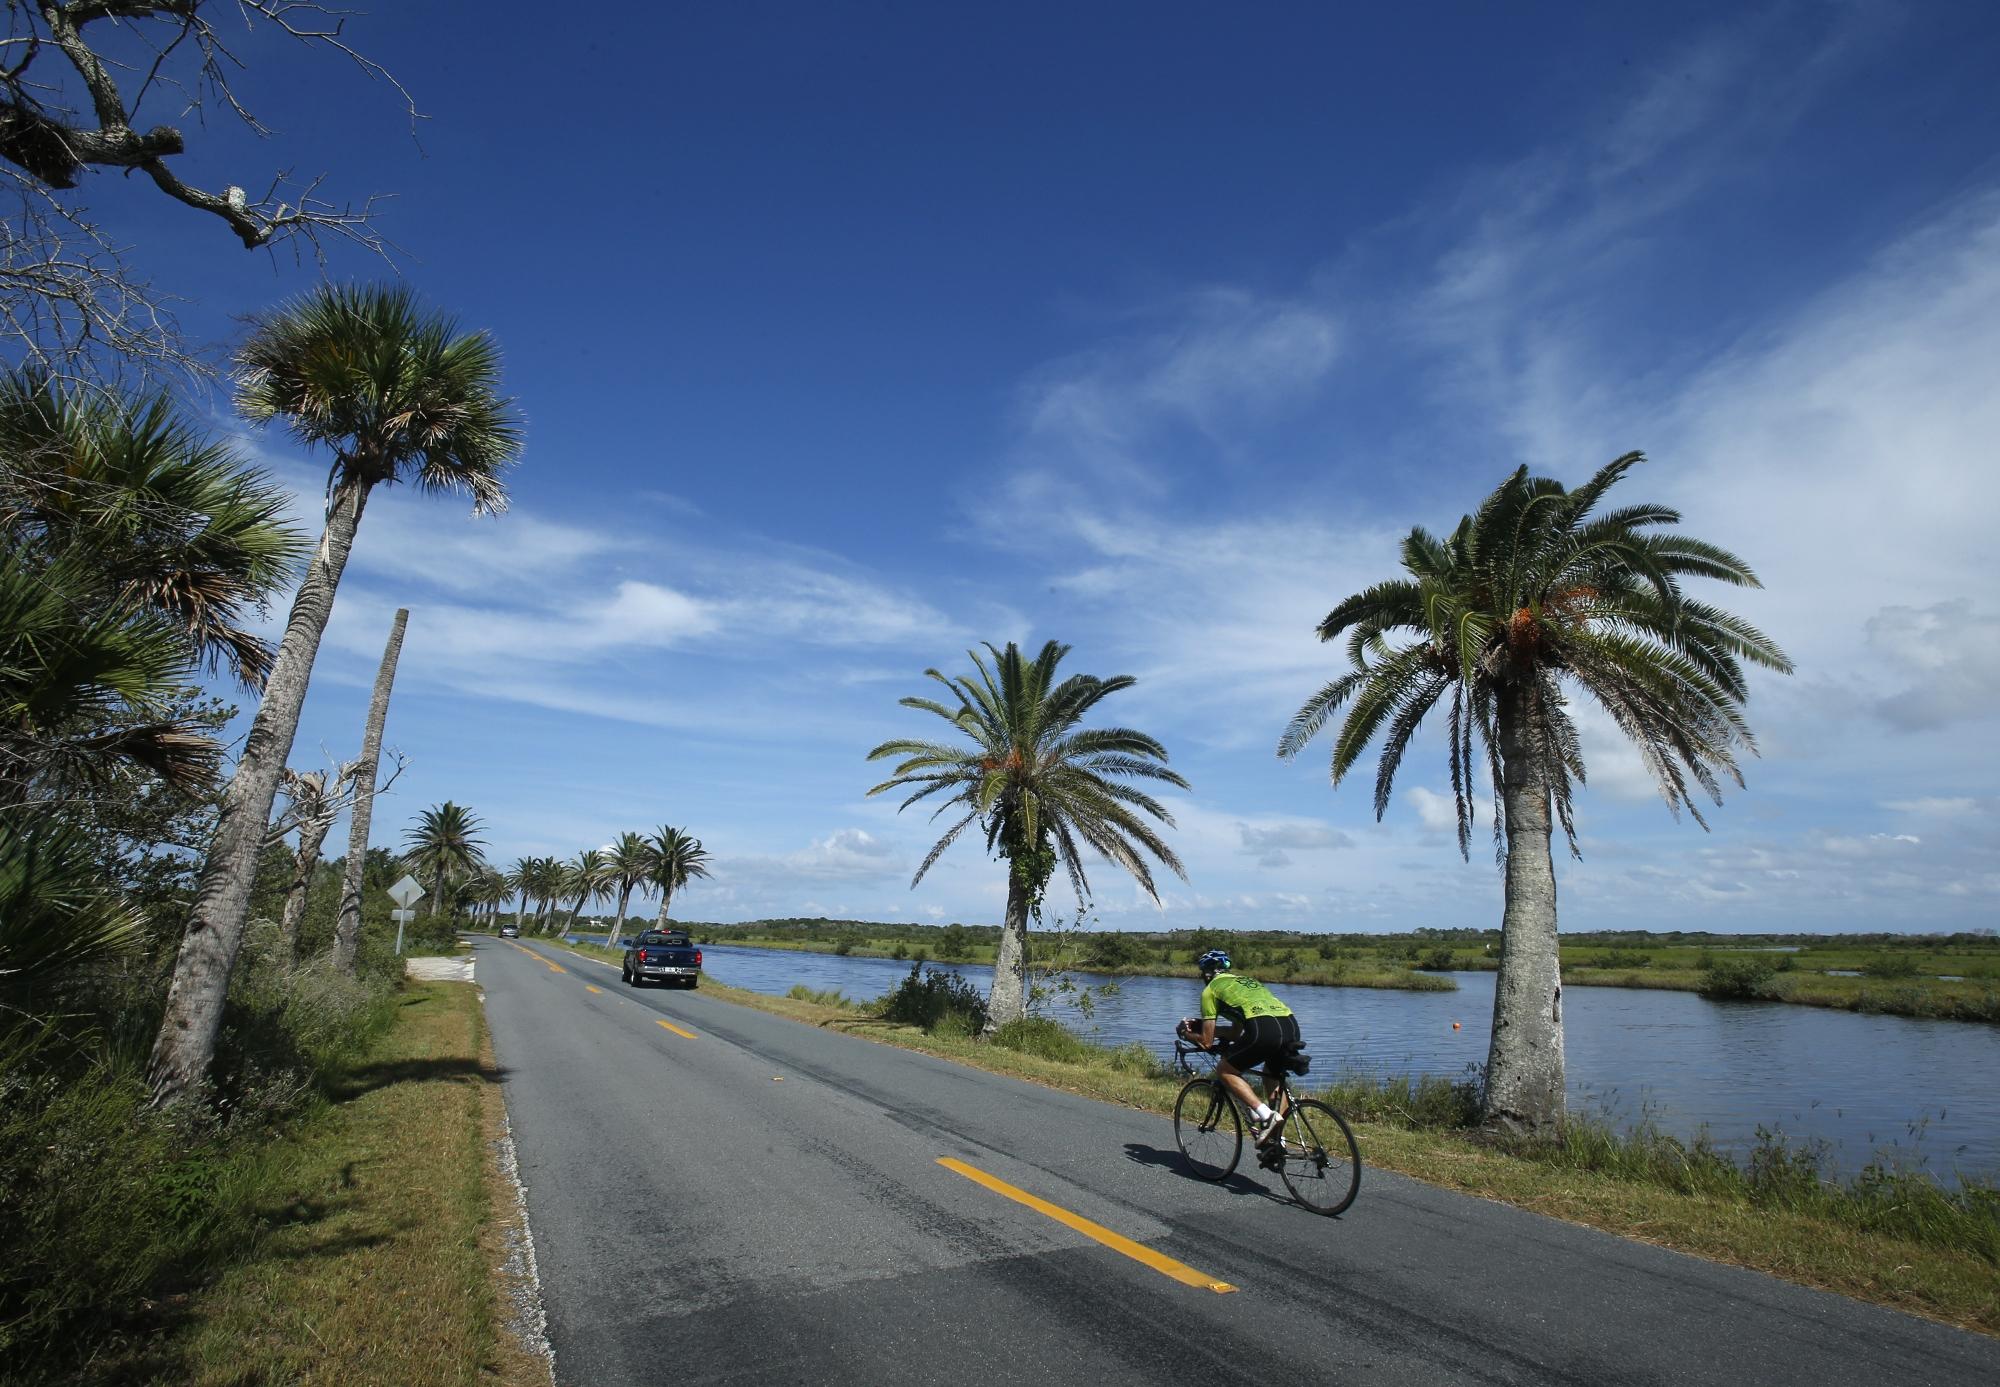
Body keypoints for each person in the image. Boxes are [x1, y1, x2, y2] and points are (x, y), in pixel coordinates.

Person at [1178, 948, 1301, 1147]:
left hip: (1264, 1029)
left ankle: (1265, 1116)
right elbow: (1235, 1033)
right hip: (1290, 1025)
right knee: (1272, 1076)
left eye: (1202, 973)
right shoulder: (1246, 982)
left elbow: (1206, 1042)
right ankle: (1278, 1139)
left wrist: (1186, 1033)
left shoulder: (1210, 991)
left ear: (1207, 973)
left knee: (1225, 1071)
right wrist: (1204, 1026)